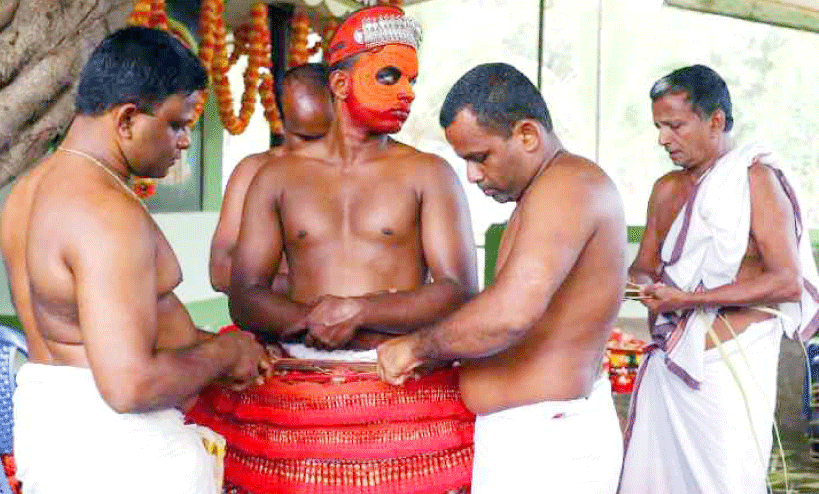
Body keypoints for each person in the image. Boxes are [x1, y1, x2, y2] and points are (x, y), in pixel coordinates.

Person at [187, 6, 479, 494]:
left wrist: (359, 311)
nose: (407, 92)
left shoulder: (430, 173)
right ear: (341, 86)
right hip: (290, 385)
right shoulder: (276, 177)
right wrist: (310, 320)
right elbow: (243, 293)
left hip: (399, 386)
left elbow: (457, 291)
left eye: (411, 79)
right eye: (389, 76)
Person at [0, 26, 269, 494]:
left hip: (58, 439)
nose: (184, 142)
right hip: (120, 460)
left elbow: (90, 332)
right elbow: (129, 385)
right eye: (176, 124)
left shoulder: (27, 193)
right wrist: (226, 351)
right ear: (126, 120)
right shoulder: (106, 213)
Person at [377, 62, 626, 493]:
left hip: (550, 445)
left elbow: (511, 312)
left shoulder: (568, 186)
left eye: (480, 157)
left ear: (527, 135)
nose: (473, 175)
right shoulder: (544, 193)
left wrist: (417, 346)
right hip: (535, 436)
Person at [618, 64, 819, 494]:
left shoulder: (755, 181)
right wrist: (637, 284)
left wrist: (687, 301)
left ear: (716, 121)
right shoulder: (666, 189)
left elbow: (786, 281)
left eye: (674, 125)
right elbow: (645, 265)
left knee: (729, 483)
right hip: (670, 366)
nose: (663, 139)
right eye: (658, 127)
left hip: (731, 369)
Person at [209, 63, 333, 295]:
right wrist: (323, 291)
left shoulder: (361, 174)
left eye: (324, 138)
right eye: (305, 138)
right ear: (283, 123)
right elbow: (221, 271)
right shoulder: (253, 170)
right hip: (271, 326)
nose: (314, 151)